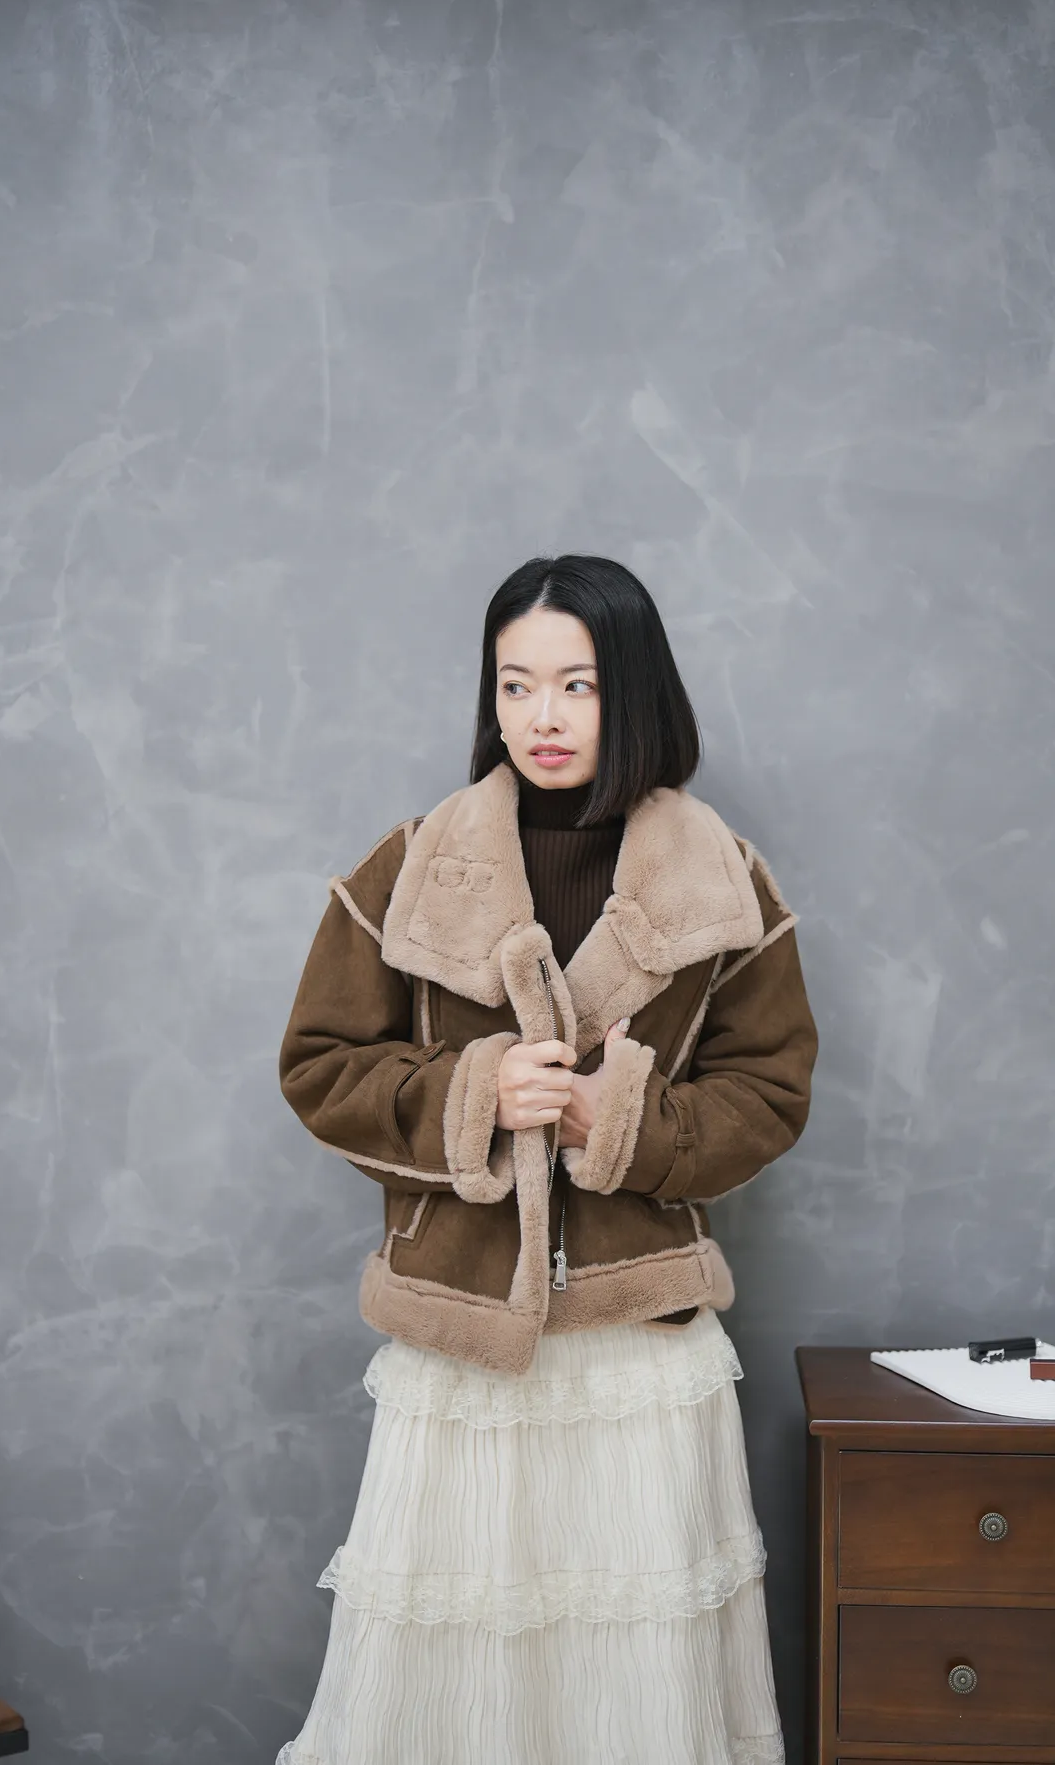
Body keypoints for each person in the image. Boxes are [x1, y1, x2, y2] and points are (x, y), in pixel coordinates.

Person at [274, 554, 818, 1765]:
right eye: (514, 685)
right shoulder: (412, 867)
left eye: (578, 685)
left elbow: (769, 1095)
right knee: (458, 1683)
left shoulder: (722, 881)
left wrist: (609, 1119)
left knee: (634, 1682)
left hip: (639, 1345)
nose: (543, 716)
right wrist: (473, 1094)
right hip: (463, 1337)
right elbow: (320, 1065)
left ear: (635, 691)